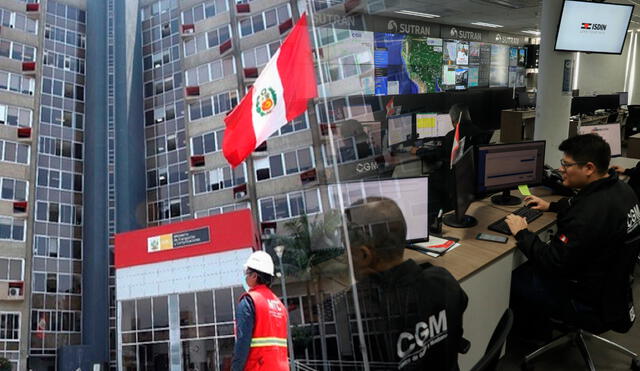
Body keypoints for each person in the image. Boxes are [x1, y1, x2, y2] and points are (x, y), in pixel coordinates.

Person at [505, 134, 640, 339]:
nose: (561, 169)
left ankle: (533, 335)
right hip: (613, 291)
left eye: (566, 164)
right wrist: (550, 206)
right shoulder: (622, 189)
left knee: (514, 277)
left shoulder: (587, 215)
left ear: (588, 168)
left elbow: (551, 261)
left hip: (585, 298)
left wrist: (522, 233)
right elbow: (581, 204)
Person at [344, 196, 469, 370]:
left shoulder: (349, 315)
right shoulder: (443, 281)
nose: (345, 258)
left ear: (365, 255)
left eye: (346, 249)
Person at [231, 251, 289, 371]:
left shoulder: (249, 301)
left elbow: (242, 343)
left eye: (247, 273)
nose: (245, 277)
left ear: (254, 276)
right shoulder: (280, 306)